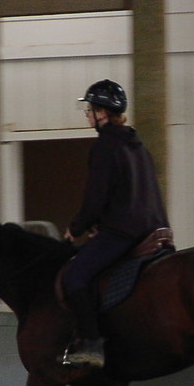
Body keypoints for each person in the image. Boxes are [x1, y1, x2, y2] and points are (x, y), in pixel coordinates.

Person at [62, 79, 170, 368]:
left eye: (90, 110)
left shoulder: (105, 146)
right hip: (156, 229)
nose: (88, 115)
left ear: (103, 113)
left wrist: (76, 228)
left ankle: (91, 345)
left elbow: (96, 197)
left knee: (74, 276)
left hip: (125, 232)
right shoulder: (137, 144)